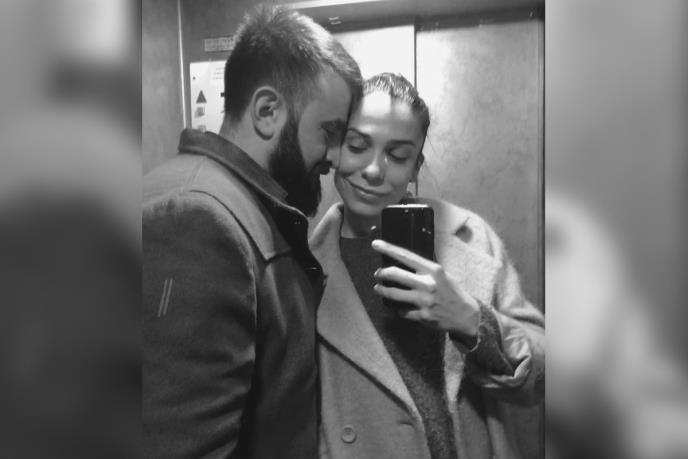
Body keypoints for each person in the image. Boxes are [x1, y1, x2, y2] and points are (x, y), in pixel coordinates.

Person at [142, 6, 362, 459]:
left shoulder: (244, 207)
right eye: (329, 132)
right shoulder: (198, 220)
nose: (337, 158)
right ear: (267, 111)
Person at [310, 73, 545, 459]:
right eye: (357, 146)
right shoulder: (306, 268)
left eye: (398, 156)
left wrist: (473, 321)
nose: (374, 169)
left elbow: (544, 375)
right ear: (335, 150)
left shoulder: (472, 238)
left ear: (416, 167)